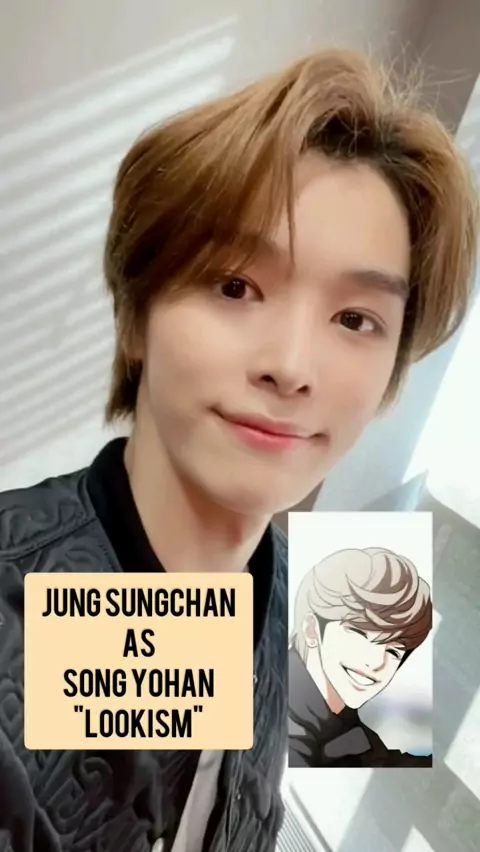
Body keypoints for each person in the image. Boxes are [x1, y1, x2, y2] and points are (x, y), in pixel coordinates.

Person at [0, 47, 478, 852]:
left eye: (356, 320)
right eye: (235, 286)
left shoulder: (352, 589)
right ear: (134, 316)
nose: (291, 366)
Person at [288, 547, 433, 767]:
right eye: (360, 634)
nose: (376, 663)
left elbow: (384, 762)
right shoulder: (277, 717)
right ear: (311, 630)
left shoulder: (349, 729)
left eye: (393, 651)